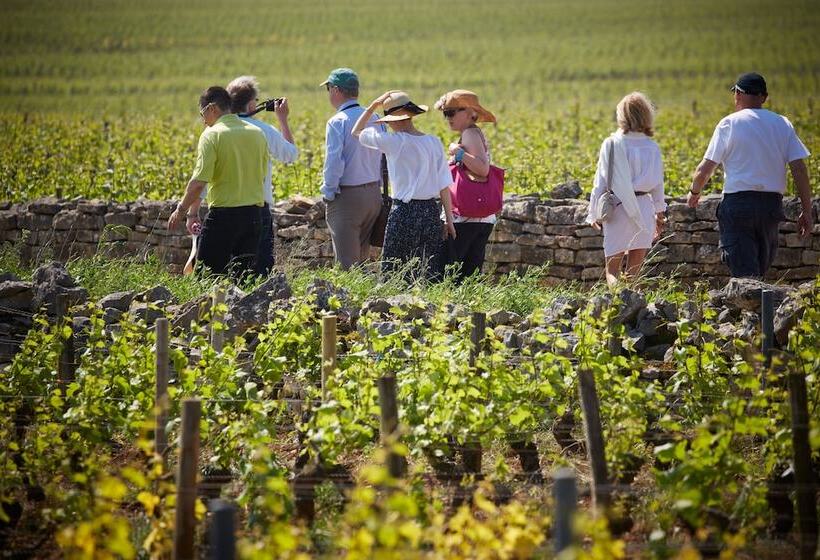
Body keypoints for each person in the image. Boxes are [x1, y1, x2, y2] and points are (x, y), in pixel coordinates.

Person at [687, 72, 813, 278]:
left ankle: (750, 309)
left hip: (738, 206)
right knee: (759, 273)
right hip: (771, 206)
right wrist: (806, 211)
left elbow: (705, 169)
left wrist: (694, 191)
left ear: (737, 94)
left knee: (745, 277)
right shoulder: (782, 124)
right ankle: (761, 310)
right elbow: (799, 169)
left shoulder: (729, 123)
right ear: (764, 97)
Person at [352, 91, 455, 279]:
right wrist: (448, 219)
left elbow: (356, 132)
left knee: (394, 272)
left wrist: (373, 105)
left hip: (403, 212)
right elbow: (443, 184)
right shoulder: (434, 142)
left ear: (393, 119)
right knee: (428, 272)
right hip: (431, 211)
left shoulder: (394, 141)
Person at [168, 86, 267, 280]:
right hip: (254, 217)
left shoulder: (212, 134)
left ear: (212, 108)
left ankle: (212, 312)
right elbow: (261, 176)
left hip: (224, 218)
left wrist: (181, 210)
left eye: (202, 113)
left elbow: (198, 183)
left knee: (208, 281)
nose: (203, 119)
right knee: (243, 282)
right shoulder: (257, 133)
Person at [586, 92, 666, 285]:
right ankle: (632, 310)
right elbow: (657, 185)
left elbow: (601, 182)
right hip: (644, 208)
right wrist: (660, 214)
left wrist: (593, 213)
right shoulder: (652, 147)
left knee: (612, 271)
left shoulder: (611, 144)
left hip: (618, 208)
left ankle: (617, 308)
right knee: (633, 274)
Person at [320, 68, 384, 269]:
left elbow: (334, 163)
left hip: (347, 197)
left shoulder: (337, 122)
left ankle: (350, 300)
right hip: (373, 194)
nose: (329, 93)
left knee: (346, 265)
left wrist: (328, 193)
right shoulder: (377, 119)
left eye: (329, 88)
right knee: (362, 260)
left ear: (337, 90)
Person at [434, 89, 497, 283]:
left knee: (448, 274)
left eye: (451, 113)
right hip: (480, 218)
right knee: (469, 276)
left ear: (470, 112)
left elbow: (483, 168)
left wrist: (456, 152)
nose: (448, 118)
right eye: (446, 113)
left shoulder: (469, 133)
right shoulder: (473, 133)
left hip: (466, 218)